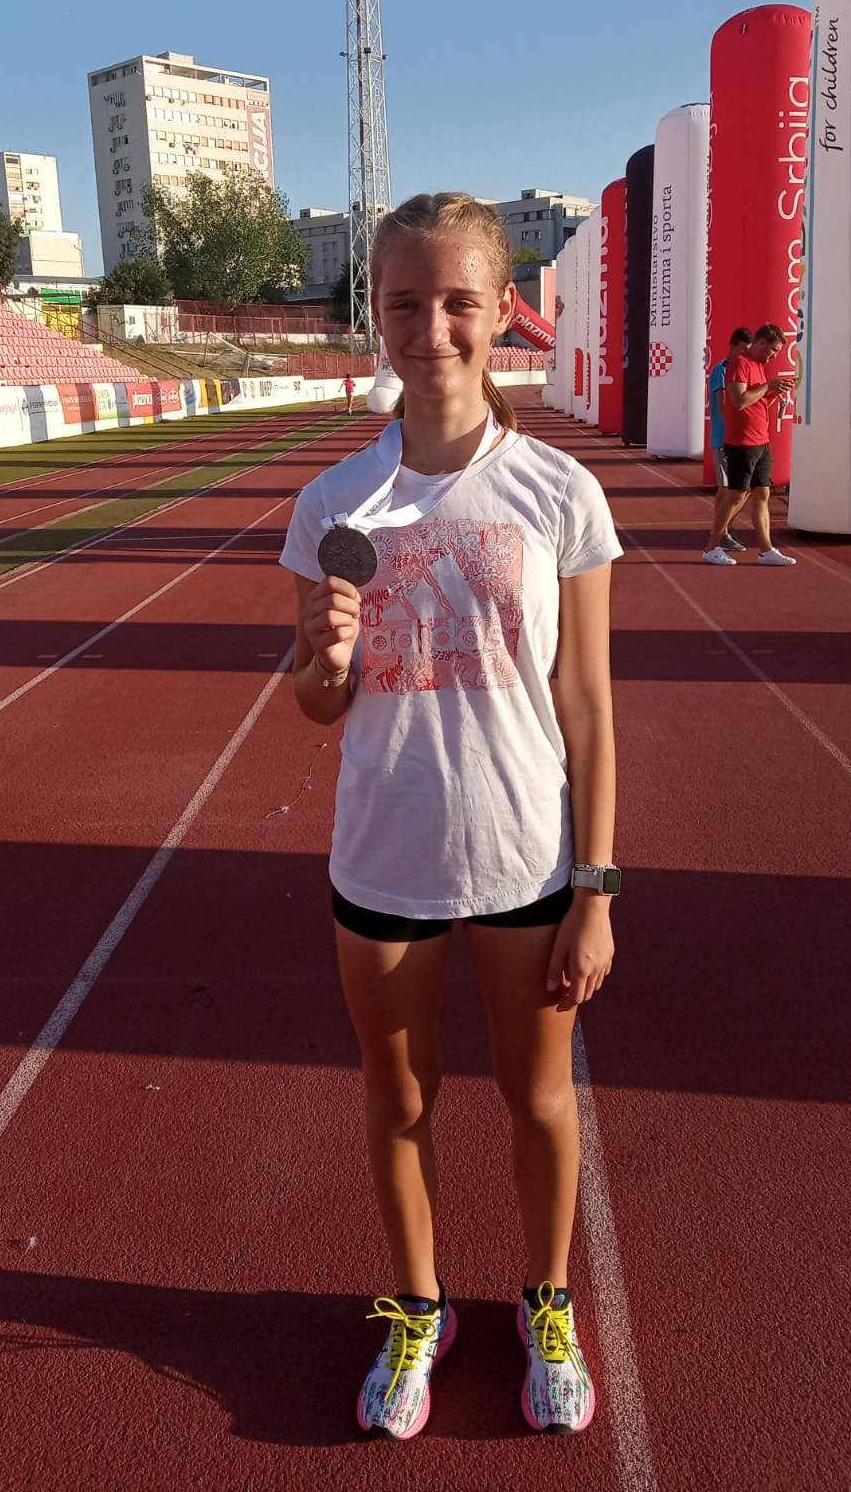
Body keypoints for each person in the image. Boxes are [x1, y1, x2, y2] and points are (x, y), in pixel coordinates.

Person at [280, 192, 623, 1440]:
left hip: (526, 856)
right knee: (400, 1103)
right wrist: (322, 659)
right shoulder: (332, 504)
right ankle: (419, 1308)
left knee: (539, 1100)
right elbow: (316, 703)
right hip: (383, 860)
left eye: (458, 302)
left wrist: (596, 889)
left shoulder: (557, 492)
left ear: (500, 312)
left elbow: (587, 706)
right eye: (406, 303)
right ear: (376, 314)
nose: (432, 329)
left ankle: (546, 1302)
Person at [702, 322, 796, 566]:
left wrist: (774, 392)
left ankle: (766, 549)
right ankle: (712, 546)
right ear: (761, 343)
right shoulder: (740, 364)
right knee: (736, 494)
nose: (774, 356)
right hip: (742, 441)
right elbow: (739, 401)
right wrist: (768, 386)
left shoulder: (758, 366)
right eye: (773, 350)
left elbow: (757, 400)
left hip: (761, 439)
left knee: (763, 492)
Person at [706, 327, 752, 551]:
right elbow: (724, 405)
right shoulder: (721, 371)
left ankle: (723, 530)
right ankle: (720, 534)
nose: (745, 354)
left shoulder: (744, 370)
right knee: (726, 488)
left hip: (739, 439)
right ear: (732, 347)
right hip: (723, 438)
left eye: (748, 351)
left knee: (741, 489)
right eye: (742, 349)